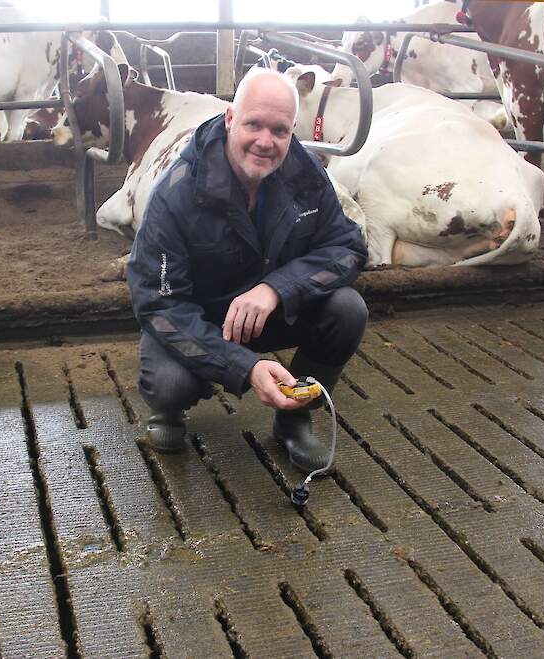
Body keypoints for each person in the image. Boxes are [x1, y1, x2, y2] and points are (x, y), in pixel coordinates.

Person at [126, 68, 368, 472]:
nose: (265, 141)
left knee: (347, 310)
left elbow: (347, 248)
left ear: (293, 131)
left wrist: (276, 289)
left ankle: (294, 415)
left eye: (279, 130)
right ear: (230, 119)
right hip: (199, 319)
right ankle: (166, 412)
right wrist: (246, 367)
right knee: (169, 385)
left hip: (270, 311)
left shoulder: (306, 174)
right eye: (254, 124)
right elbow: (157, 304)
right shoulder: (178, 191)